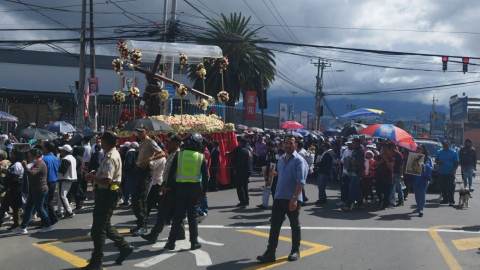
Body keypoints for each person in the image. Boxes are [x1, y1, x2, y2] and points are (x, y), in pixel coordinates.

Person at [83, 131, 134, 270]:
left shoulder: (111, 156)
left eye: (101, 140)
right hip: (106, 194)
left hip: (107, 194)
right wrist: (96, 173)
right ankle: (124, 246)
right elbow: (105, 175)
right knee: (104, 225)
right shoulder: (111, 154)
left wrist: (92, 178)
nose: (100, 142)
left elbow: (107, 180)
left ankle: (97, 261)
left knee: (98, 230)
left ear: (106, 142)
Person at [256, 135, 308, 263]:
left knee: (294, 225)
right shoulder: (281, 159)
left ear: (295, 145)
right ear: (283, 144)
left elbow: (300, 181)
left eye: (291, 143)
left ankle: (295, 250)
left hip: (292, 198)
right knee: (274, 226)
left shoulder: (299, 161)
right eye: (286, 143)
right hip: (279, 197)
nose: (288, 145)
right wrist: (275, 174)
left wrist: (295, 198)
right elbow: (284, 174)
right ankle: (270, 252)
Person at [164, 133, 208, 251]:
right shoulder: (201, 157)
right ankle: (194, 242)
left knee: (178, 216)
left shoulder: (179, 155)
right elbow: (205, 175)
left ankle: (171, 242)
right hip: (194, 189)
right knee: (192, 216)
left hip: (180, 188)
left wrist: (168, 186)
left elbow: (171, 172)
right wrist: (205, 191)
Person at [141, 134, 185, 243]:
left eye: (171, 142)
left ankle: (154, 234)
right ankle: (181, 232)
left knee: (162, 212)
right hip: (168, 185)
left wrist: (167, 185)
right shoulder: (171, 154)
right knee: (174, 212)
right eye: (169, 142)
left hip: (173, 187)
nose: (169, 144)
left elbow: (173, 173)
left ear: (178, 144)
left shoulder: (178, 155)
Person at [131, 124, 166, 236]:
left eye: (141, 131)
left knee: (138, 198)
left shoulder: (150, 142)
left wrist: (150, 158)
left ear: (146, 131)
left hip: (146, 171)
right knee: (140, 199)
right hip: (139, 170)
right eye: (138, 131)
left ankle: (142, 224)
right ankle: (141, 223)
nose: (139, 133)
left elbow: (162, 153)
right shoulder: (141, 142)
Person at [13, 148, 53, 234]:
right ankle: (23, 227)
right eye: (28, 156)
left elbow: (31, 173)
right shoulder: (36, 162)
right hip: (34, 190)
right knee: (28, 208)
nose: (29, 158)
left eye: (31, 156)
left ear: (36, 156)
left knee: (39, 208)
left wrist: (24, 165)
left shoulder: (40, 163)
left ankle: (48, 225)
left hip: (40, 189)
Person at [0, 149, 25, 230]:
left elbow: (16, 177)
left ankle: (17, 223)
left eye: (13, 154)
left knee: (15, 206)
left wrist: (7, 173)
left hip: (15, 188)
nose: (12, 155)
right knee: (4, 205)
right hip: (10, 188)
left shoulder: (17, 164)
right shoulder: (14, 163)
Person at [341, 138, 366, 211]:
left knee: (352, 189)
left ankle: (348, 205)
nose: (352, 144)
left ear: (358, 143)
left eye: (353, 143)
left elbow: (358, 162)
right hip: (353, 172)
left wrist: (349, 161)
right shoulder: (356, 150)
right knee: (358, 189)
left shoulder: (360, 151)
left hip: (356, 172)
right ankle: (360, 204)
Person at [436, 141, 459, 206]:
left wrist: (454, 169)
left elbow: (457, 162)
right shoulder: (439, 152)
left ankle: (451, 200)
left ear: (449, 145)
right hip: (442, 172)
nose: (444, 146)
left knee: (451, 187)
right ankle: (445, 199)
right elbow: (436, 161)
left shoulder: (453, 152)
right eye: (443, 145)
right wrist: (439, 162)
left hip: (450, 173)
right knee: (443, 187)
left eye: (446, 145)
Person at [42, 141, 60, 225]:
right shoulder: (55, 158)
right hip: (53, 181)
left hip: (46, 182)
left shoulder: (44, 159)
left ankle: (46, 221)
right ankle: (53, 218)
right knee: (49, 201)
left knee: (44, 202)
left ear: (46, 148)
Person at [56, 144, 76, 219]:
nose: (61, 151)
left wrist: (57, 168)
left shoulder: (66, 159)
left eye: (62, 150)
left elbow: (63, 170)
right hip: (70, 178)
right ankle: (60, 211)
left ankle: (69, 211)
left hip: (64, 178)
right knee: (61, 195)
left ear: (64, 151)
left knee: (62, 196)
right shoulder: (72, 158)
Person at [413, 144, 432, 217]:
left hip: (423, 179)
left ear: (424, 150)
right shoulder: (414, 157)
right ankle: (418, 207)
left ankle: (421, 209)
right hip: (415, 177)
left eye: (420, 149)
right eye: (418, 149)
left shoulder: (428, 158)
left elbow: (431, 167)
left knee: (422, 194)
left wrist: (425, 166)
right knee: (417, 194)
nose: (419, 150)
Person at [373, 143, 394, 210]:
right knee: (378, 190)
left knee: (386, 191)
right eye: (383, 148)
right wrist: (380, 162)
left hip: (387, 177)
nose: (384, 150)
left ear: (389, 150)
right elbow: (374, 164)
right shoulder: (379, 156)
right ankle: (380, 200)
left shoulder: (391, 157)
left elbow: (390, 166)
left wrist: (385, 160)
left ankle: (385, 204)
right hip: (379, 176)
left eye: (386, 149)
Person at [234, 137, 253, 208]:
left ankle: (242, 201)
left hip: (242, 170)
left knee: (239, 186)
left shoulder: (243, 150)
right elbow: (256, 157)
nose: (239, 144)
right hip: (248, 170)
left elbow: (240, 162)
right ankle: (246, 200)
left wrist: (236, 169)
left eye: (239, 142)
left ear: (242, 143)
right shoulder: (250, 149)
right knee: (245, 186)